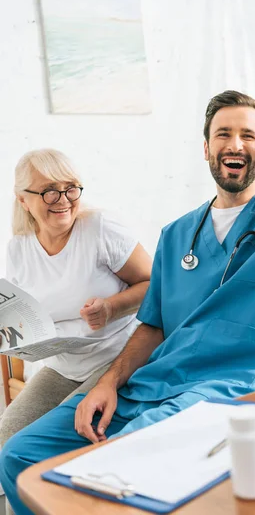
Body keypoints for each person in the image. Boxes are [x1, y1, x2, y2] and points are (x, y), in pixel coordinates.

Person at [0, 92, 255, 515]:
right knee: (19, 455)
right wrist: (108, 383)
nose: (235, 144)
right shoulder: (178, 234)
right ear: (205, 149)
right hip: (150, 383)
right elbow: (152, 325)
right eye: (224, 134)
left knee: (120, 461)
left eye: (247, 136)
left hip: (225, 385)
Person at [0, 148, 152, 451]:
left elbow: (157, 284)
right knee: (6, 442)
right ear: (23, 200)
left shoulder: (99, 229)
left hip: (117, 358)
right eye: (49, 192)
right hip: (62, 367)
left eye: (70, 188)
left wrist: (111, 307)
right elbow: (21, 313)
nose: (64, 200)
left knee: (52, 440)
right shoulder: (19, 248)